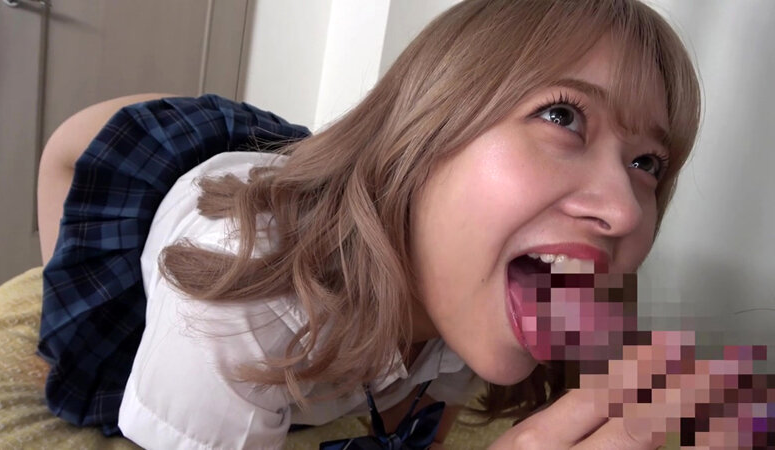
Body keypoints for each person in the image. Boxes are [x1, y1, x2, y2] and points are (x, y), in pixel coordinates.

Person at [37, 0, 772, 448]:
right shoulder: (246, 292)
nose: (623, 211)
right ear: (427, 135)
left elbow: (433, 409)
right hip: (138, 155)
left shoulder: (480, 281)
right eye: (562, 115)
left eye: (647, 163)